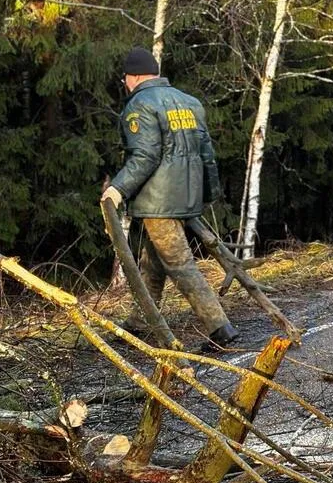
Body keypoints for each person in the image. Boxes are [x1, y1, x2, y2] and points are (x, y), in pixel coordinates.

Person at [101, 47, 238, 349]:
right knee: (152, 263)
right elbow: (207, 154)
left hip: (158, 202)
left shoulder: (140, 106)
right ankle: (139, 323)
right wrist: (208, 194)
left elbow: (145, 156)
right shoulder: (189, 103)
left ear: (133, 76)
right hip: (185, 196)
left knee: (179, 263)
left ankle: (220, 328)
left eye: (125, 79)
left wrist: (118, 189)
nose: (125, 84)